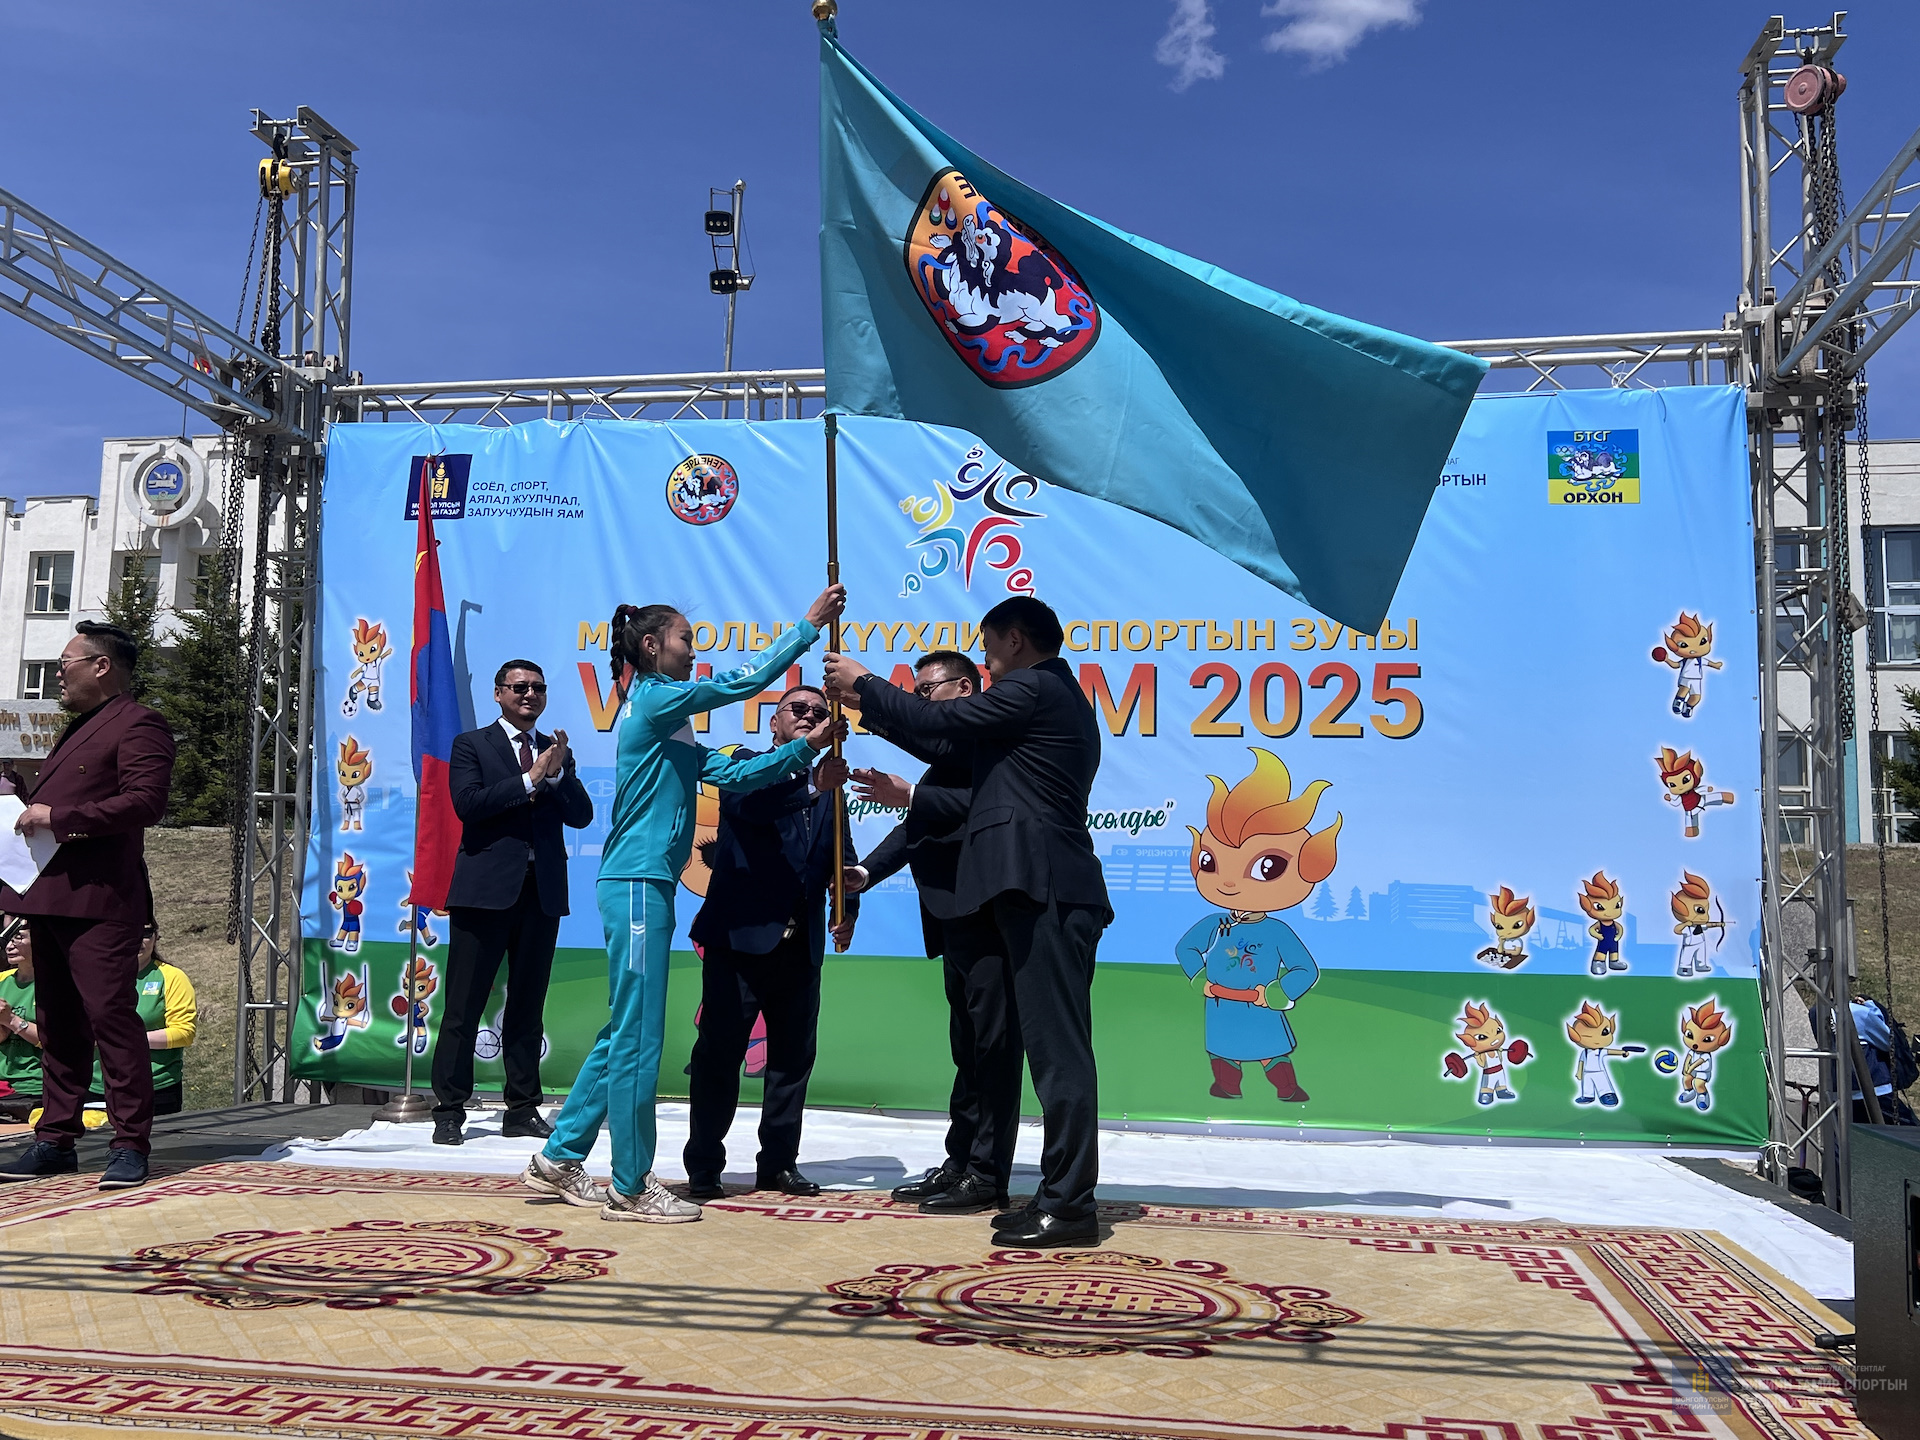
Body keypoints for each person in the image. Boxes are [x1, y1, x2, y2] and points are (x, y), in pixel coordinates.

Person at [523, 587, 848, 1224]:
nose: (693, 652)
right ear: (651, 647)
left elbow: (735, 774)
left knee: (624, 1029)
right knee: (639, 1036)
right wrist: (808, 628)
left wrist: (804, 751)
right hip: (637, 882)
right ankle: (630, 1185)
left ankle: (560, 1156)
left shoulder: (668, 719)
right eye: (685, 641)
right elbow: (743, 681)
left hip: (647, 884)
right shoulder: (653, 697)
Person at [824, 596, 1110, 1246]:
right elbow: (941, 739)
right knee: (1045, 1051)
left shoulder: (1036, 687)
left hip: (1047, 888)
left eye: (988, 648)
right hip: (1036, 891)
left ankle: (1069, 1205)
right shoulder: (1040, 702)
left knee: (1058, 1054)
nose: (986, 661)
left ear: (1015, 639)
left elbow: (941, 721)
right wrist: (863, 703)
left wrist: (866, 682)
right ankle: (1056, 1193)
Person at [844, 650, 1020, 1215]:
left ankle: (988, 1173)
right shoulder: (949, 752)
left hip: (988, 914)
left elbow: (959, 796)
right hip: (953, 918)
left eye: (926, 692)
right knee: (967, 1047)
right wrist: (864, 872)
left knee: (993, 1048)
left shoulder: (985, 737)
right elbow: (918, 824)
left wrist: (870, 704)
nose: (919, 702)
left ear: (965, 688)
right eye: (914, 693)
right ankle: (961, 1161)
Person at [0, 621, 175, 1191]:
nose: (58, 673)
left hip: (101, 898)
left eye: (65, 662)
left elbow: (145, 802)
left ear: (101, 666)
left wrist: (60, 818)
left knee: (109, 1017)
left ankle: (130, 1144)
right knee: (58, 1022)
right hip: (49, 892)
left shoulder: (140, 723)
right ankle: (55, 1138)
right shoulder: (78, 727)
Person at [684, 684, 857, 1200]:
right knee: (719, 1056)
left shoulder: (831, 785)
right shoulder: (744, 768)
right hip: (739, 941)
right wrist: (812, 785)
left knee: (792, 1060)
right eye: (797, 709)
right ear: (774, 722)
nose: (808, 716)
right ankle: (704, 1165)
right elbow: (750, 810)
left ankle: (779, 1163)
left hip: (800, 945)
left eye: (818, 712)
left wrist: (848, 909)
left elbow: (842, 858)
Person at [432, 659, 594, 1146]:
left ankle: (522, 1108)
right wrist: (529, 779)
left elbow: (582, 816)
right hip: (484, 895)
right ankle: (449, 1110)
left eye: (538, 688)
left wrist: (557, 776)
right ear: (498, 693)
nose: (530, 695)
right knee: (464, 1007)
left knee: (527, 1005)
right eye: (520, 687)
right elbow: (469, 805)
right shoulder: (472, 745)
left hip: (540, 892)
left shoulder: (554, 750)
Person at [89, 923, 196, 1117]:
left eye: (146, 933)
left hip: (155, 1087)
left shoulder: (172, 977)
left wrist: (128, 1040)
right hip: (97, 1086)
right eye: (130, 931)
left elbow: (184, 1033)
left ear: (155, 937)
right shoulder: (95, 977)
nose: (138, 940)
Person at [0, 923, 42, 1123]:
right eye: (8, 939)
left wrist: (12, 1020)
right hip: (4, 1085)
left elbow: (59, 1040)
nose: (9, 946)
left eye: (18, 938)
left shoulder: (58, 985)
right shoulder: (2, 981)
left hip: (35, 1087)